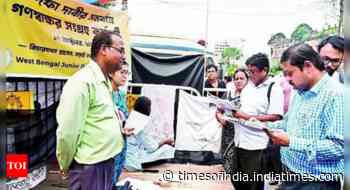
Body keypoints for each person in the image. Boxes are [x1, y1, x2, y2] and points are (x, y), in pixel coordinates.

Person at [56, 31, 131, 190]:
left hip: (105, 163)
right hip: (89, 168)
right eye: (121, 50)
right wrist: (65, 163)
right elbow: (68, 132)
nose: (124, 56)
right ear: (104, 49)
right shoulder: (82, 82)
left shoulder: (103, 82)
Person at [267, 43, 344, 190]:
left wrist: (291, 142)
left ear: (308, 66)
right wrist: (262, 126)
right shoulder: (300, 92)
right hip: (291, 174)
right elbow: (288, 123)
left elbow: (340, 147)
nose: (288, 80)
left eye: (290, 73)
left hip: (316, 182)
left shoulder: (336, 95)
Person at [216, 53, 284, 190]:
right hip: (240, 140)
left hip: (257, 145)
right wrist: (230, 110)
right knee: (237, 180)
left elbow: (275, 116)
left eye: (252, 72)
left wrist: (245, 116)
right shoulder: (248, 88)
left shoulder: (273, 88)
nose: (250, 75)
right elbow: (241, 109)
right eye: (249, 71)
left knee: (253, 184)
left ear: (264, 70)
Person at [124, 96, 175, 171]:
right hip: (134, 162)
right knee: (167, 149)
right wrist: (165, 141)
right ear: (147, 108)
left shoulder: (132, 117)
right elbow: (152, 147)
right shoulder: (140, 123)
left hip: (127, 158)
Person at [109, 61, 130, 185]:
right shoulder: (105, 94)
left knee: (116, 175)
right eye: (122, 72)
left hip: (122, 142)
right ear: (111, 73)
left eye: (127, 73)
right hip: (110, 145)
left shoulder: (121, 94)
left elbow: (124, 116)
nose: (125, 76)